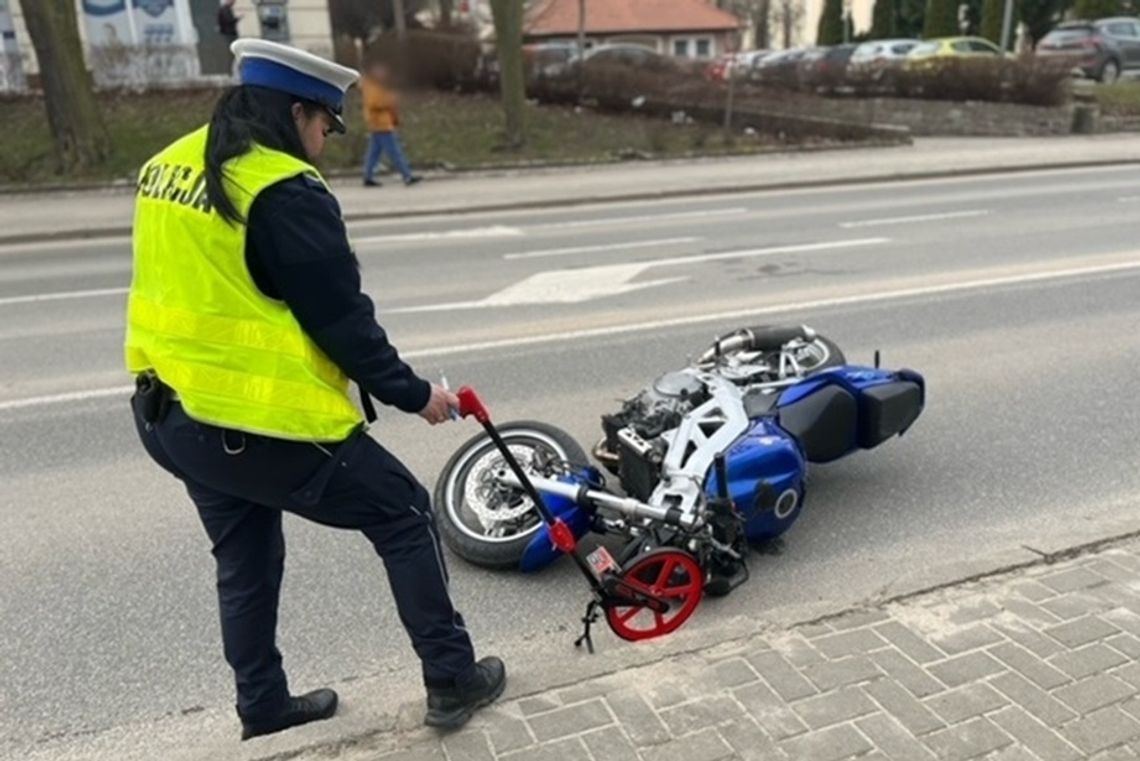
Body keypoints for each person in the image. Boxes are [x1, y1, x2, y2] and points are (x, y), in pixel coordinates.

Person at [125, 38, 505, 741]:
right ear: (298, 112)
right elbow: (342, 322)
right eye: (328, 126)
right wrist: (416, 393)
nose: (327, 142)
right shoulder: (282, 189)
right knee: (402, 513)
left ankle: (262, 705)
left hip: (170, 414)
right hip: (252, 424)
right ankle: (452, 677)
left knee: (245, 558)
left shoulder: (169, 164)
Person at [360, 62, 421, 187]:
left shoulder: (377, 86)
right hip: (380, 123)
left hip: (380, 123)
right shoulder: (372, 86)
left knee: (374, 152)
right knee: (395, 151)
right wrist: (389, 101)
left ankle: (368, 176)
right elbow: (374, 104)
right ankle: (407, 176)